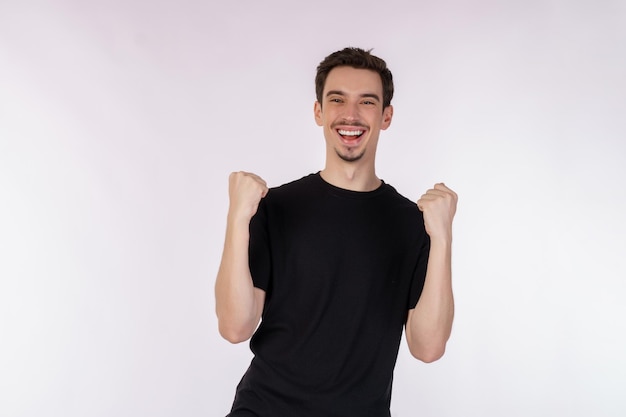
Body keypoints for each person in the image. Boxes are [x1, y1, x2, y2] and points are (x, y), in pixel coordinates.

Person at [215, 47, 457, 417]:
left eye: (367, 102)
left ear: (386, 116)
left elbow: (428, 348)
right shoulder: (275, 207)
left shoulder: (413, 223)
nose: (351, 115)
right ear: (319, 111)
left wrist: (442, 239)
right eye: (337, 99)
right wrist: (237, 219)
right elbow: (235, 327)